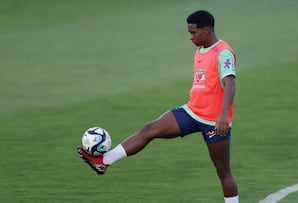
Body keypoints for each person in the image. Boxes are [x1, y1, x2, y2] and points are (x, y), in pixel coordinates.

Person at [77, 10, 239, 203]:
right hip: (192, 111)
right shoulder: (200, 50)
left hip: (214, 121)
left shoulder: (223, 52)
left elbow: (230, 84)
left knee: (223, 170)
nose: (190, 37)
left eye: (193, 33)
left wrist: (222, 116)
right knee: (150, 129)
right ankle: (103, 161)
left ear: (206, 30)